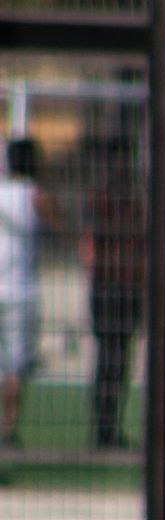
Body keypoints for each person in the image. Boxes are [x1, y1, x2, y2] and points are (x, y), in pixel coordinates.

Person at [80, 135, 145, 449]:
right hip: (109, 287)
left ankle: (110, 426)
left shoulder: (134, 199)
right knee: (109, 359)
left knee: (119, 359)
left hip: (128, 287)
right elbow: (90, 245)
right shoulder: (103, 199)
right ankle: (103, 427)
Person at [0, 139, 60, 449]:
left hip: (13, 288)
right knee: (14, 367)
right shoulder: (36, 196)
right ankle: (8, 431)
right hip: (20, 291)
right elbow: (58, 225)